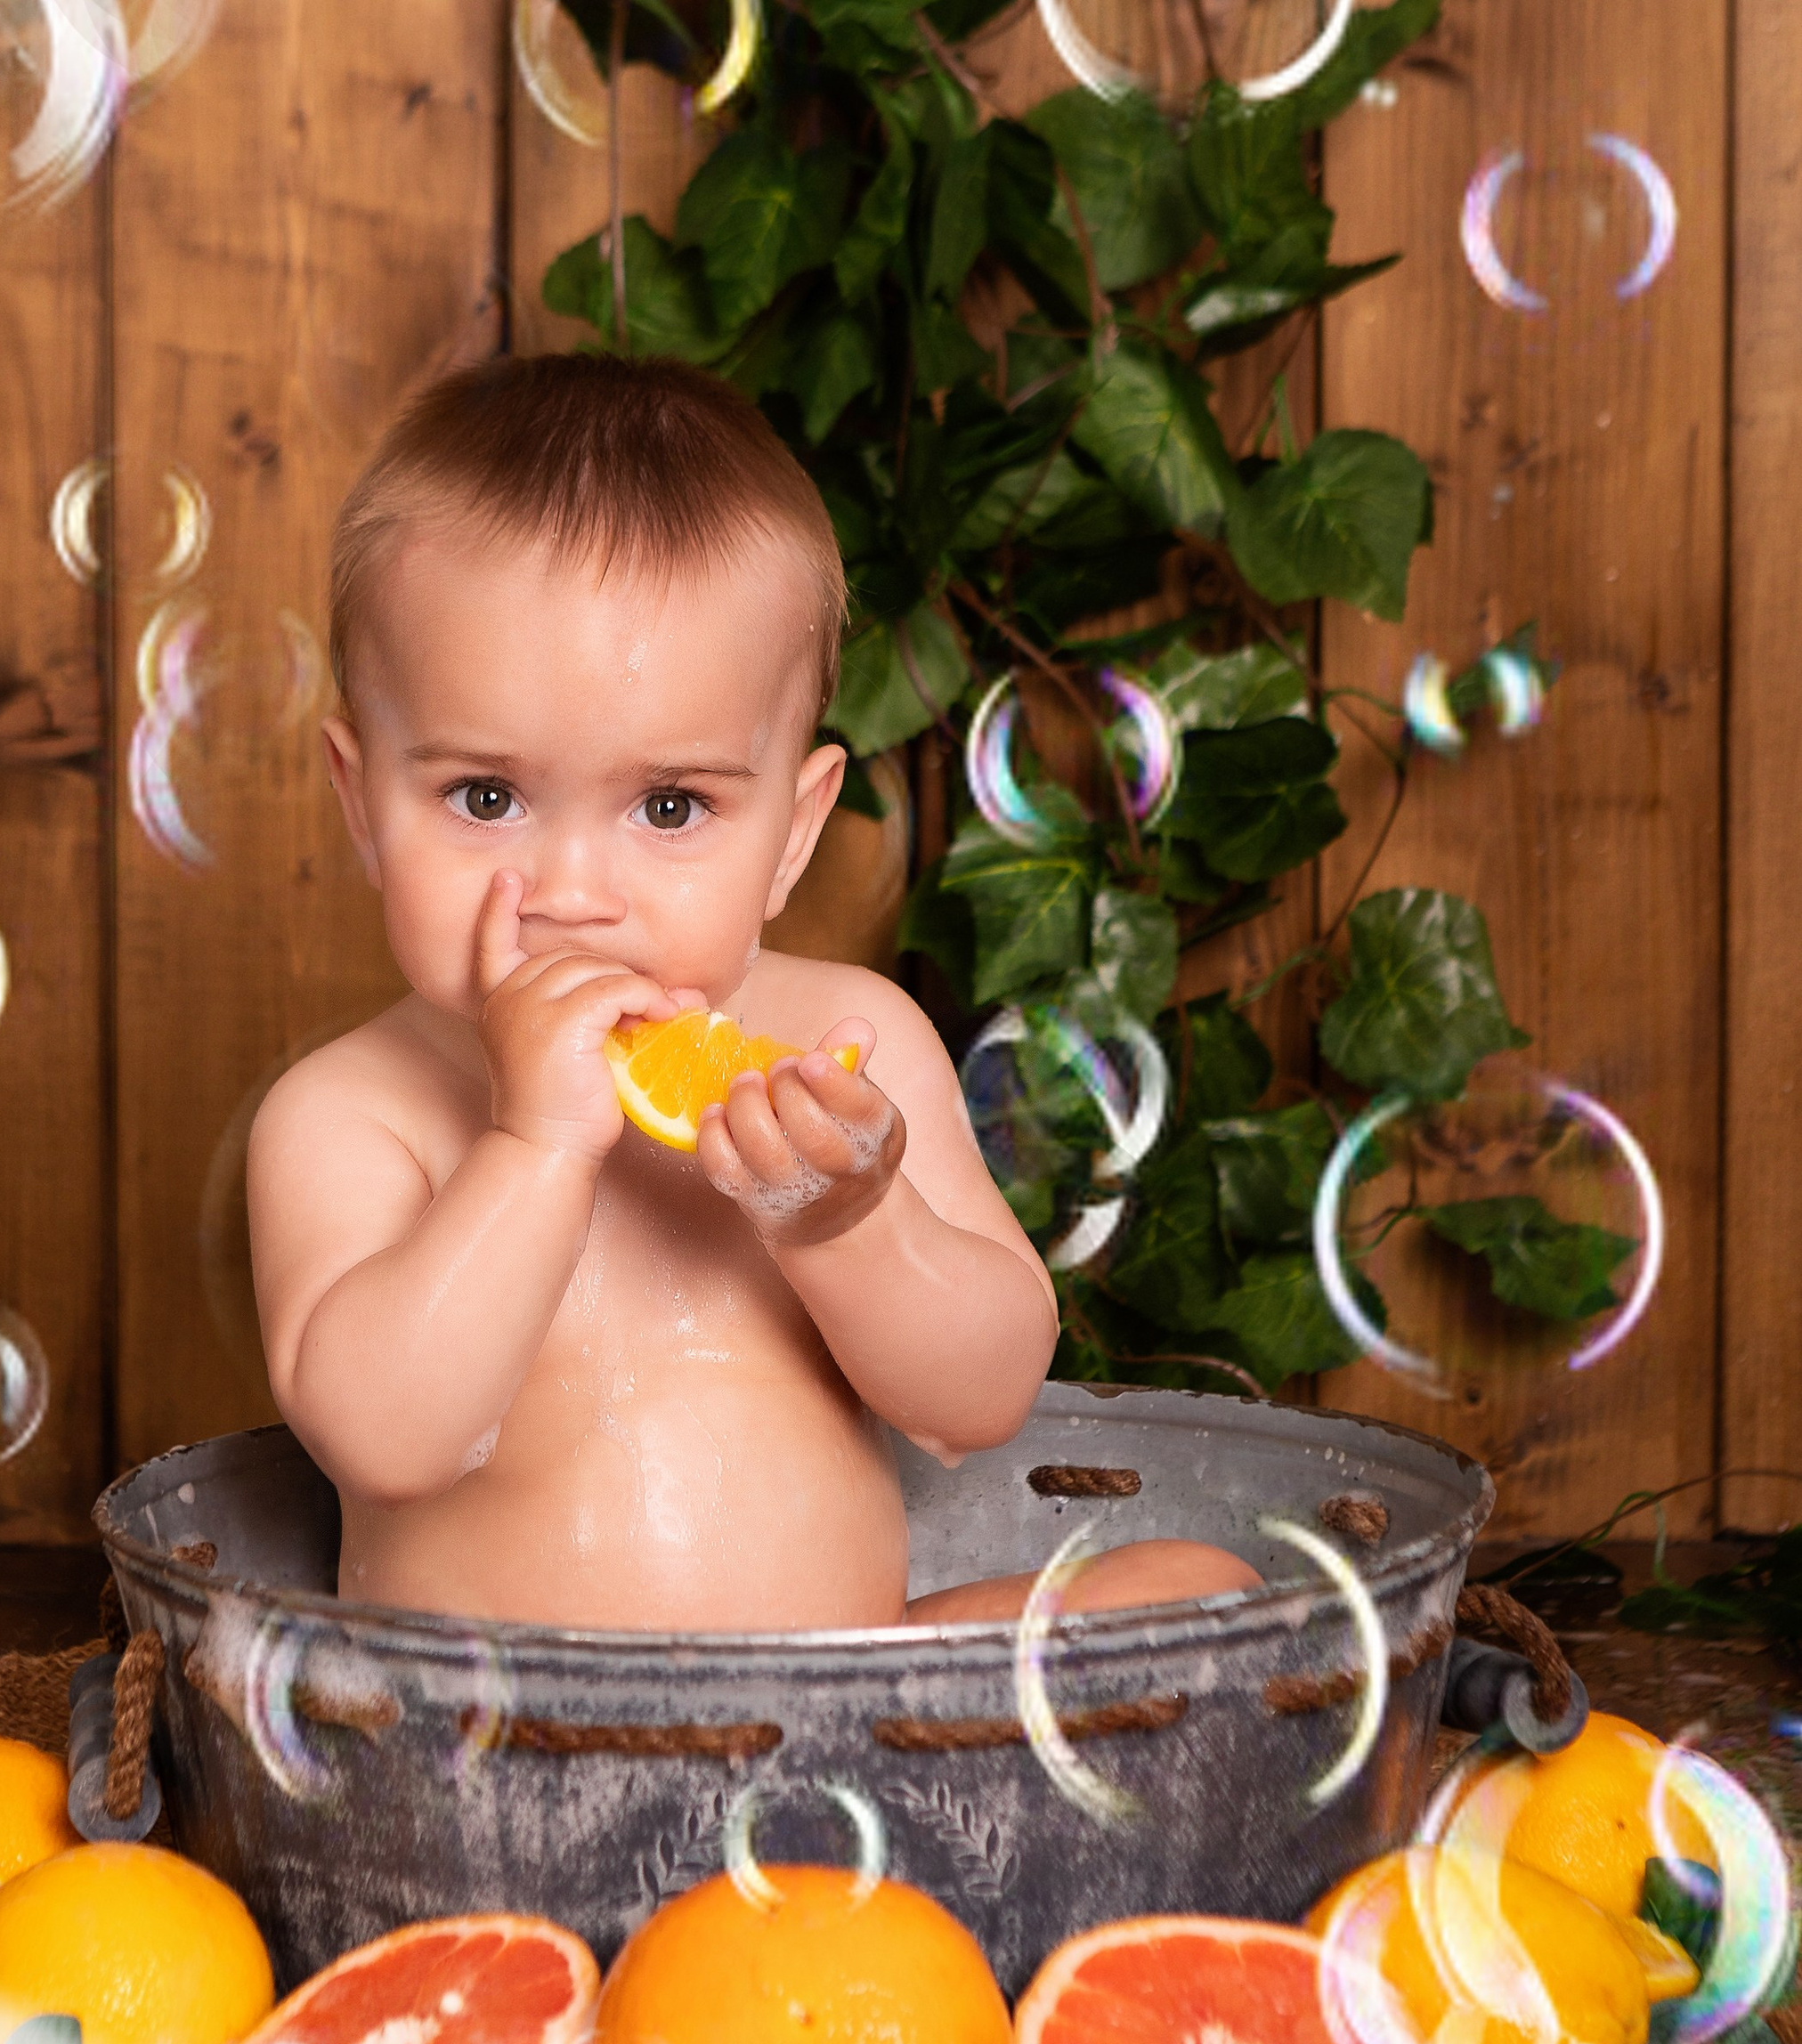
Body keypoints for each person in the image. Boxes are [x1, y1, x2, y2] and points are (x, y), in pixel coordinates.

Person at [246, 354, 1255, 1634]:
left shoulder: (852, 1047)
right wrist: (533, 1146)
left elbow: (984, 1394)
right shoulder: (349, 1114)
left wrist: (848, 1226)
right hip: (505, 1747)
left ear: (792, 832)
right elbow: (387, 1437)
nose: (571, 890)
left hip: (853, 1707)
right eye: (485, 798)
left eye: (671, 807)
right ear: (361, 804)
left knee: (1200, 1597)